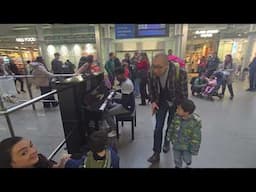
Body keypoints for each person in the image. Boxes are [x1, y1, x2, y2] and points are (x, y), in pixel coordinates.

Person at [148, 53, 188, 163]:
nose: (156, 70)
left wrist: (183, 110)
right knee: (158, 128)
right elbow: (151, 89)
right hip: (160, 103)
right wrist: (153, 102)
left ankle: (167, 142)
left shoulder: (180, 73)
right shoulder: (151, 73)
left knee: (171, 126)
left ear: (167, 65)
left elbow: (184, 94)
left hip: (175, 104)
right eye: (154, 66)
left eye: (159, 67)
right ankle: (156, 153)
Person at [166, 99, 201, 168]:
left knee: (186, 158)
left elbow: (196, 137)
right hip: (176, 143)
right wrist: (169, 136)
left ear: (186, 112)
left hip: (187, 146)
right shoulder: (176, 117)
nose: (176, 110)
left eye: (179, 109)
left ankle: (188, 161)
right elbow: (171, 127)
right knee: (176, 158)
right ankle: (178, 166)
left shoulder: (194, 123)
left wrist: (194, 148)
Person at [104, 66, 135, 138]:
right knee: (109, 106)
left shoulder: (126, 84)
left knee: (106, 113)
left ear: (121, 74)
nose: (116, 78)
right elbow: (124, 95)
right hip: (127, 104)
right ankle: (113, 126)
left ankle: (115, 130)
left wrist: (112, 99)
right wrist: (115, 93)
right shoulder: (126, 81)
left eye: (116, 76)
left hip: (127, 108)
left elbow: (124, 102)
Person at [0, 136, 71, 168]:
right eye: (24, 153)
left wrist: (60, 164)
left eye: (31, 146)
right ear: (11, 164)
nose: (33, 151)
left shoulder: (40, 160)